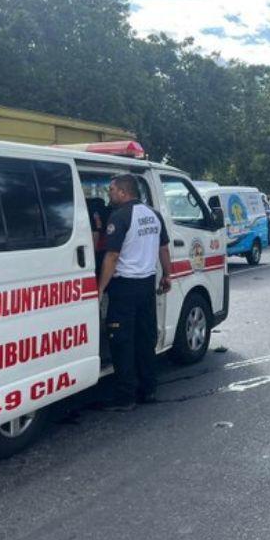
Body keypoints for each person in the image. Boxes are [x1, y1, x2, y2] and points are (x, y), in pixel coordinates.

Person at [98, 174, 172, 411]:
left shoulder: (119, 217)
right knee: (144, 338)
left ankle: (126, 397)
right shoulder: (153, 215)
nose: (108, 193)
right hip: (147, 285)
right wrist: (167, 274)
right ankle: (148, 388)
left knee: (121, 342)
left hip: (125, 288)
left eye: (111, 189)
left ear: (123, 192)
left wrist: (100, 289)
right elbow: (163, 248)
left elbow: (112, 256)